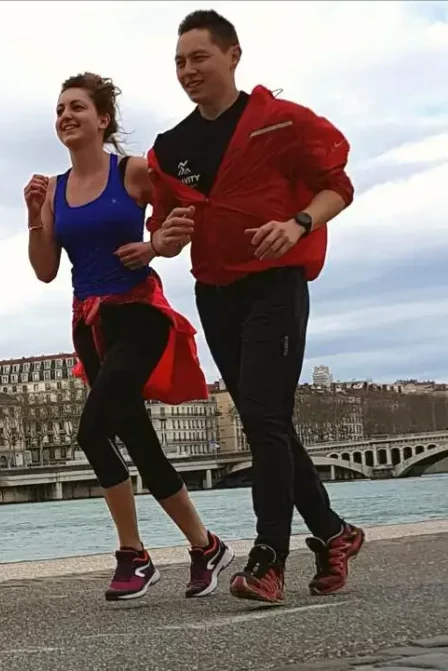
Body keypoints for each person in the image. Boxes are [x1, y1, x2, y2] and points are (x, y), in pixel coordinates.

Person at [146, 10, 365, 604]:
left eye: (199, 58)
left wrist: (299, 223)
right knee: (266, 421)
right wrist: (164, 240)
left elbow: (338, 187)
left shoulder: (281, 122)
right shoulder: (172, 147)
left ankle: (269, 557)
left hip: (275, 285)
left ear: (233, 55)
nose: (188, 71)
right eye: (179, 62)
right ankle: (333, 533)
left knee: (265, 418)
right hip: (214, 293)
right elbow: (164, 227)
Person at [24, 72, 234, 602]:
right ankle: (205, 546)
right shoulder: (53, 190)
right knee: (138, 439)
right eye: (59, 110)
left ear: (103, 119)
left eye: (76, 107)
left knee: (93, 432)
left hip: (138, 316)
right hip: (89, 325)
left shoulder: (134, 172)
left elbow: (182, 211)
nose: (65, 116)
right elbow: (46, 270)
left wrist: (154, 245)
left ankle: (133, 555)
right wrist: (33, 217)